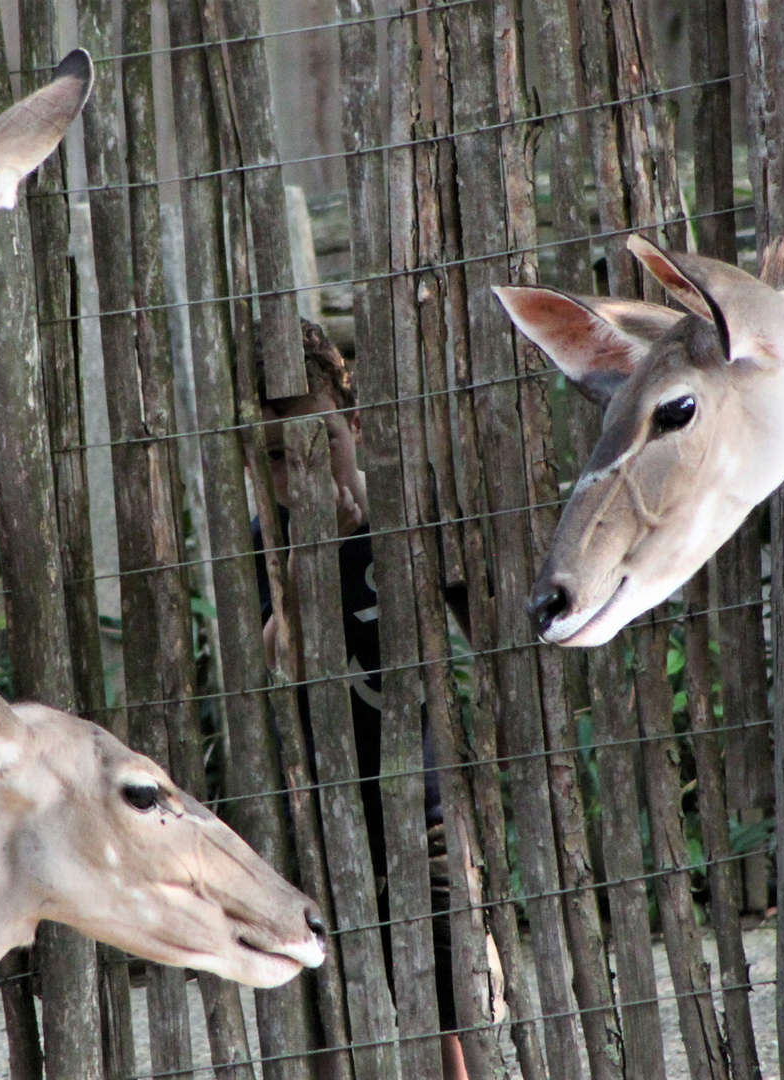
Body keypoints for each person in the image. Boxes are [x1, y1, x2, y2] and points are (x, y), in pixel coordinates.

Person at [252, 321, 467, 1079]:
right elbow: (284, 656)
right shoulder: (263, 542)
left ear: (356, 425)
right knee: (341, 1018)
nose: (302, 471)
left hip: (428, 810)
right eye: (279, 459)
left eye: (322, 443)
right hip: (322, 829)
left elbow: (481, 613)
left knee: (451, 1003)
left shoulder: (403, 519)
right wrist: (310, 565)